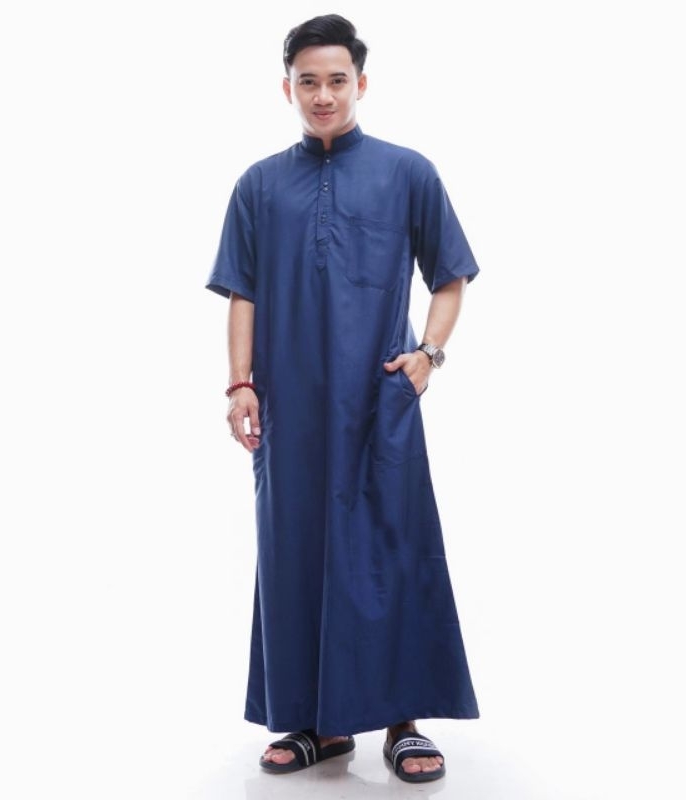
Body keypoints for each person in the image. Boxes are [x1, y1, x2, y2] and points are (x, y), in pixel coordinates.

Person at [206, 13, 480, 784]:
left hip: (377, 399)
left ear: (361, 83)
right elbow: (242, 292)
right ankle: (314, 724)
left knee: (391, 550)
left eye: (335, 80)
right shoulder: (258, 186)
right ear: (286, 89)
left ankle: (403, 722)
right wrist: (240, 383)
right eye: (308, 82)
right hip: (289, 405)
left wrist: (428, 354)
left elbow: (450, 275)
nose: (322, 95)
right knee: (294, 552)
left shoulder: (408, 173)